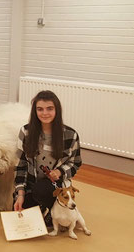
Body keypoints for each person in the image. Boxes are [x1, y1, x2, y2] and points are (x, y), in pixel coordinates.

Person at [13, 90, 82, 224]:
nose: (45, 113)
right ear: (35, 111)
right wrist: (20, 194)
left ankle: (52, 207)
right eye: (40, 109)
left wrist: (60, 172)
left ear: (57, 110)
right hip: (30, 183)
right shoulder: (25, 131)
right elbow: (20, 165)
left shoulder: (70, 134)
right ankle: (41, 205)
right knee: (19, 212)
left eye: (49, 109)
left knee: (42, 190)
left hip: (54, 186)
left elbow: (75, 163)